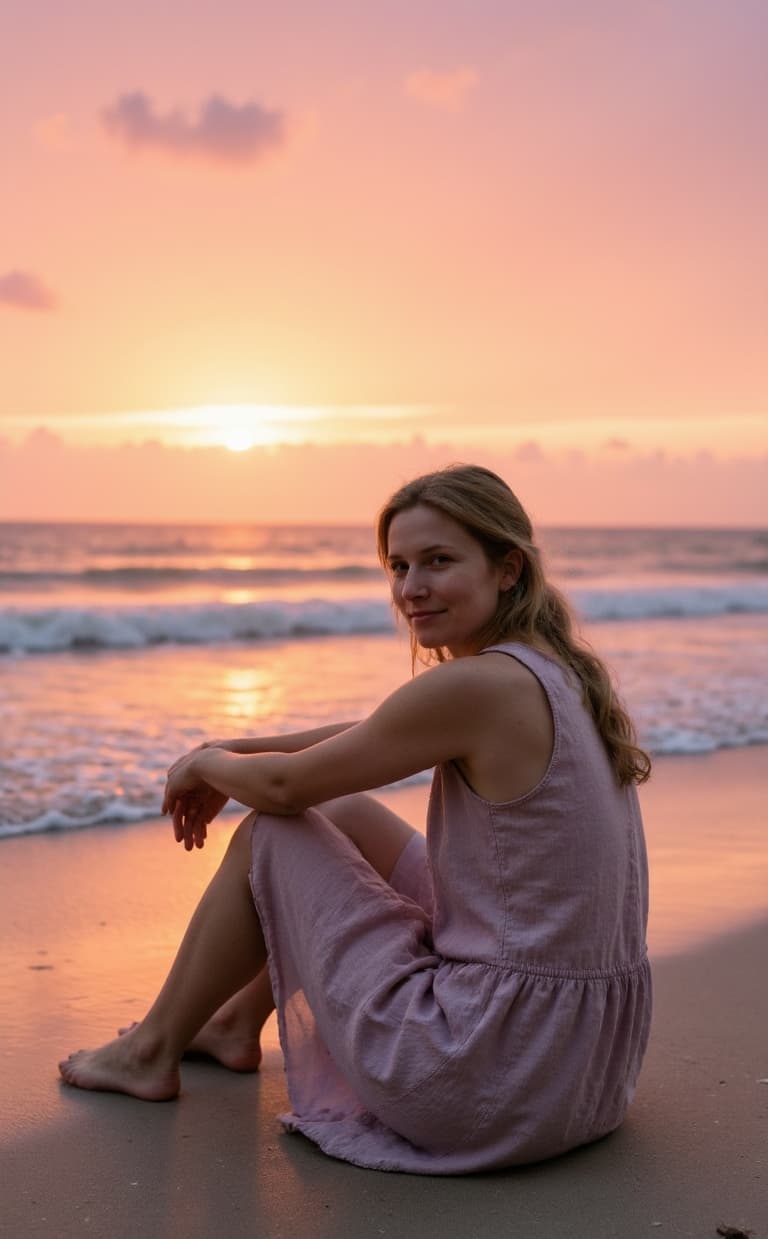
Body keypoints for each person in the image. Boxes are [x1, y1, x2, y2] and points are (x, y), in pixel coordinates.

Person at [59, 464, 652, 1174]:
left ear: (507, 568)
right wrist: (222, 749)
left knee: (274, 830)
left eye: (438, 561)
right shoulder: (552, 670)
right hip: (579, 1075)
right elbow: (372, 733)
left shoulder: (479, 684)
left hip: (483, 1072)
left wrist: (207, 768)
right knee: (340, 809)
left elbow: (280, 789)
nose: (411, 589)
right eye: (399, 566)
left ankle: (149, 1051)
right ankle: (234, 1023)